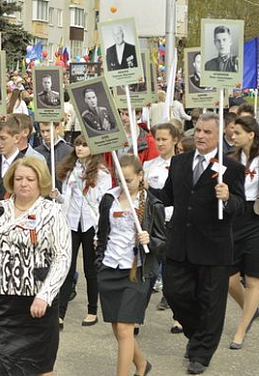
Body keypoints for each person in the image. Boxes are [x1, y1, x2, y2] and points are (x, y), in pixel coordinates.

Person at [149, 112, 245, 374]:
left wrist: (228, 198)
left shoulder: (232, 167)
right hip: (180, 242)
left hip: (214, 246)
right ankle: (198, 334)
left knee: (212, 303)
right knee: (174, 292)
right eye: (198, 130)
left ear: (219, 135)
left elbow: (240, 207)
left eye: (207, 132)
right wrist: (142, 191)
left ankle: (202, 353)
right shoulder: (179, 162)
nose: (201, 136)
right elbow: (167, 196)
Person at [0, 156, 70, 375]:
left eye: (30, 179)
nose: (24, 183)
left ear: (40, 181)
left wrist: (45, 295)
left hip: (36, 305)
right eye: (19, 178)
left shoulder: (52, 212)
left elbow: (63, 258)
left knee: (39, 367)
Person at [95, 153, 165, 376]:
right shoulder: (109, 198)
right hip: (109, 268)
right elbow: (103, 232)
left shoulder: (153, 204)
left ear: (140, 176)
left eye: (129, 179)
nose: (125, 184)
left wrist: (150, 240)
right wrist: (99, 262)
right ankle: (142, 365)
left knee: (126, 329)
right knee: (117, 328)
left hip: (136, 271)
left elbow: (164, 243)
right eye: (120, 179)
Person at [50, 135, 111, 328]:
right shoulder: (70, 169)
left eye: (84, 145)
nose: (80, 148)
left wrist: (98, 233)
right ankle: (60, 314)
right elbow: (68, 200)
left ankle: (92, 311)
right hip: (72, 223)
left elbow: (103, 204)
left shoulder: (102, 173)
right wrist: (58, 196)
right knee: (67, 268)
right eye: (77, 144)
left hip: (91, 225)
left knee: (90, 270)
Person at [142, 123, 183, 332]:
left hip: (175, 224)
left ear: (175, 140)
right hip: (154, 226)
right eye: (157, 139)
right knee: (148, 272)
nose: (160, 143)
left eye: (164, 139)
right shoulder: (149, 165)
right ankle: (136, 316)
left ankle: (178, 317)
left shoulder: (182, 165)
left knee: (173, 274)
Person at [226, 116, 259, 350]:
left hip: (255, 217)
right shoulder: (232, 159)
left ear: (251, 134)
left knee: (253, 280)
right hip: (235, 217)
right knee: (229, 279)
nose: (232, 136)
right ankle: (252, 308)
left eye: (237, 132)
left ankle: (241, 329)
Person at [34, 121, 74, 189]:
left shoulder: (69, 151)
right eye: (42, 131)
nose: (45, 135)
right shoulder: (36, 152)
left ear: (57, 129)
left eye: (48, 131)